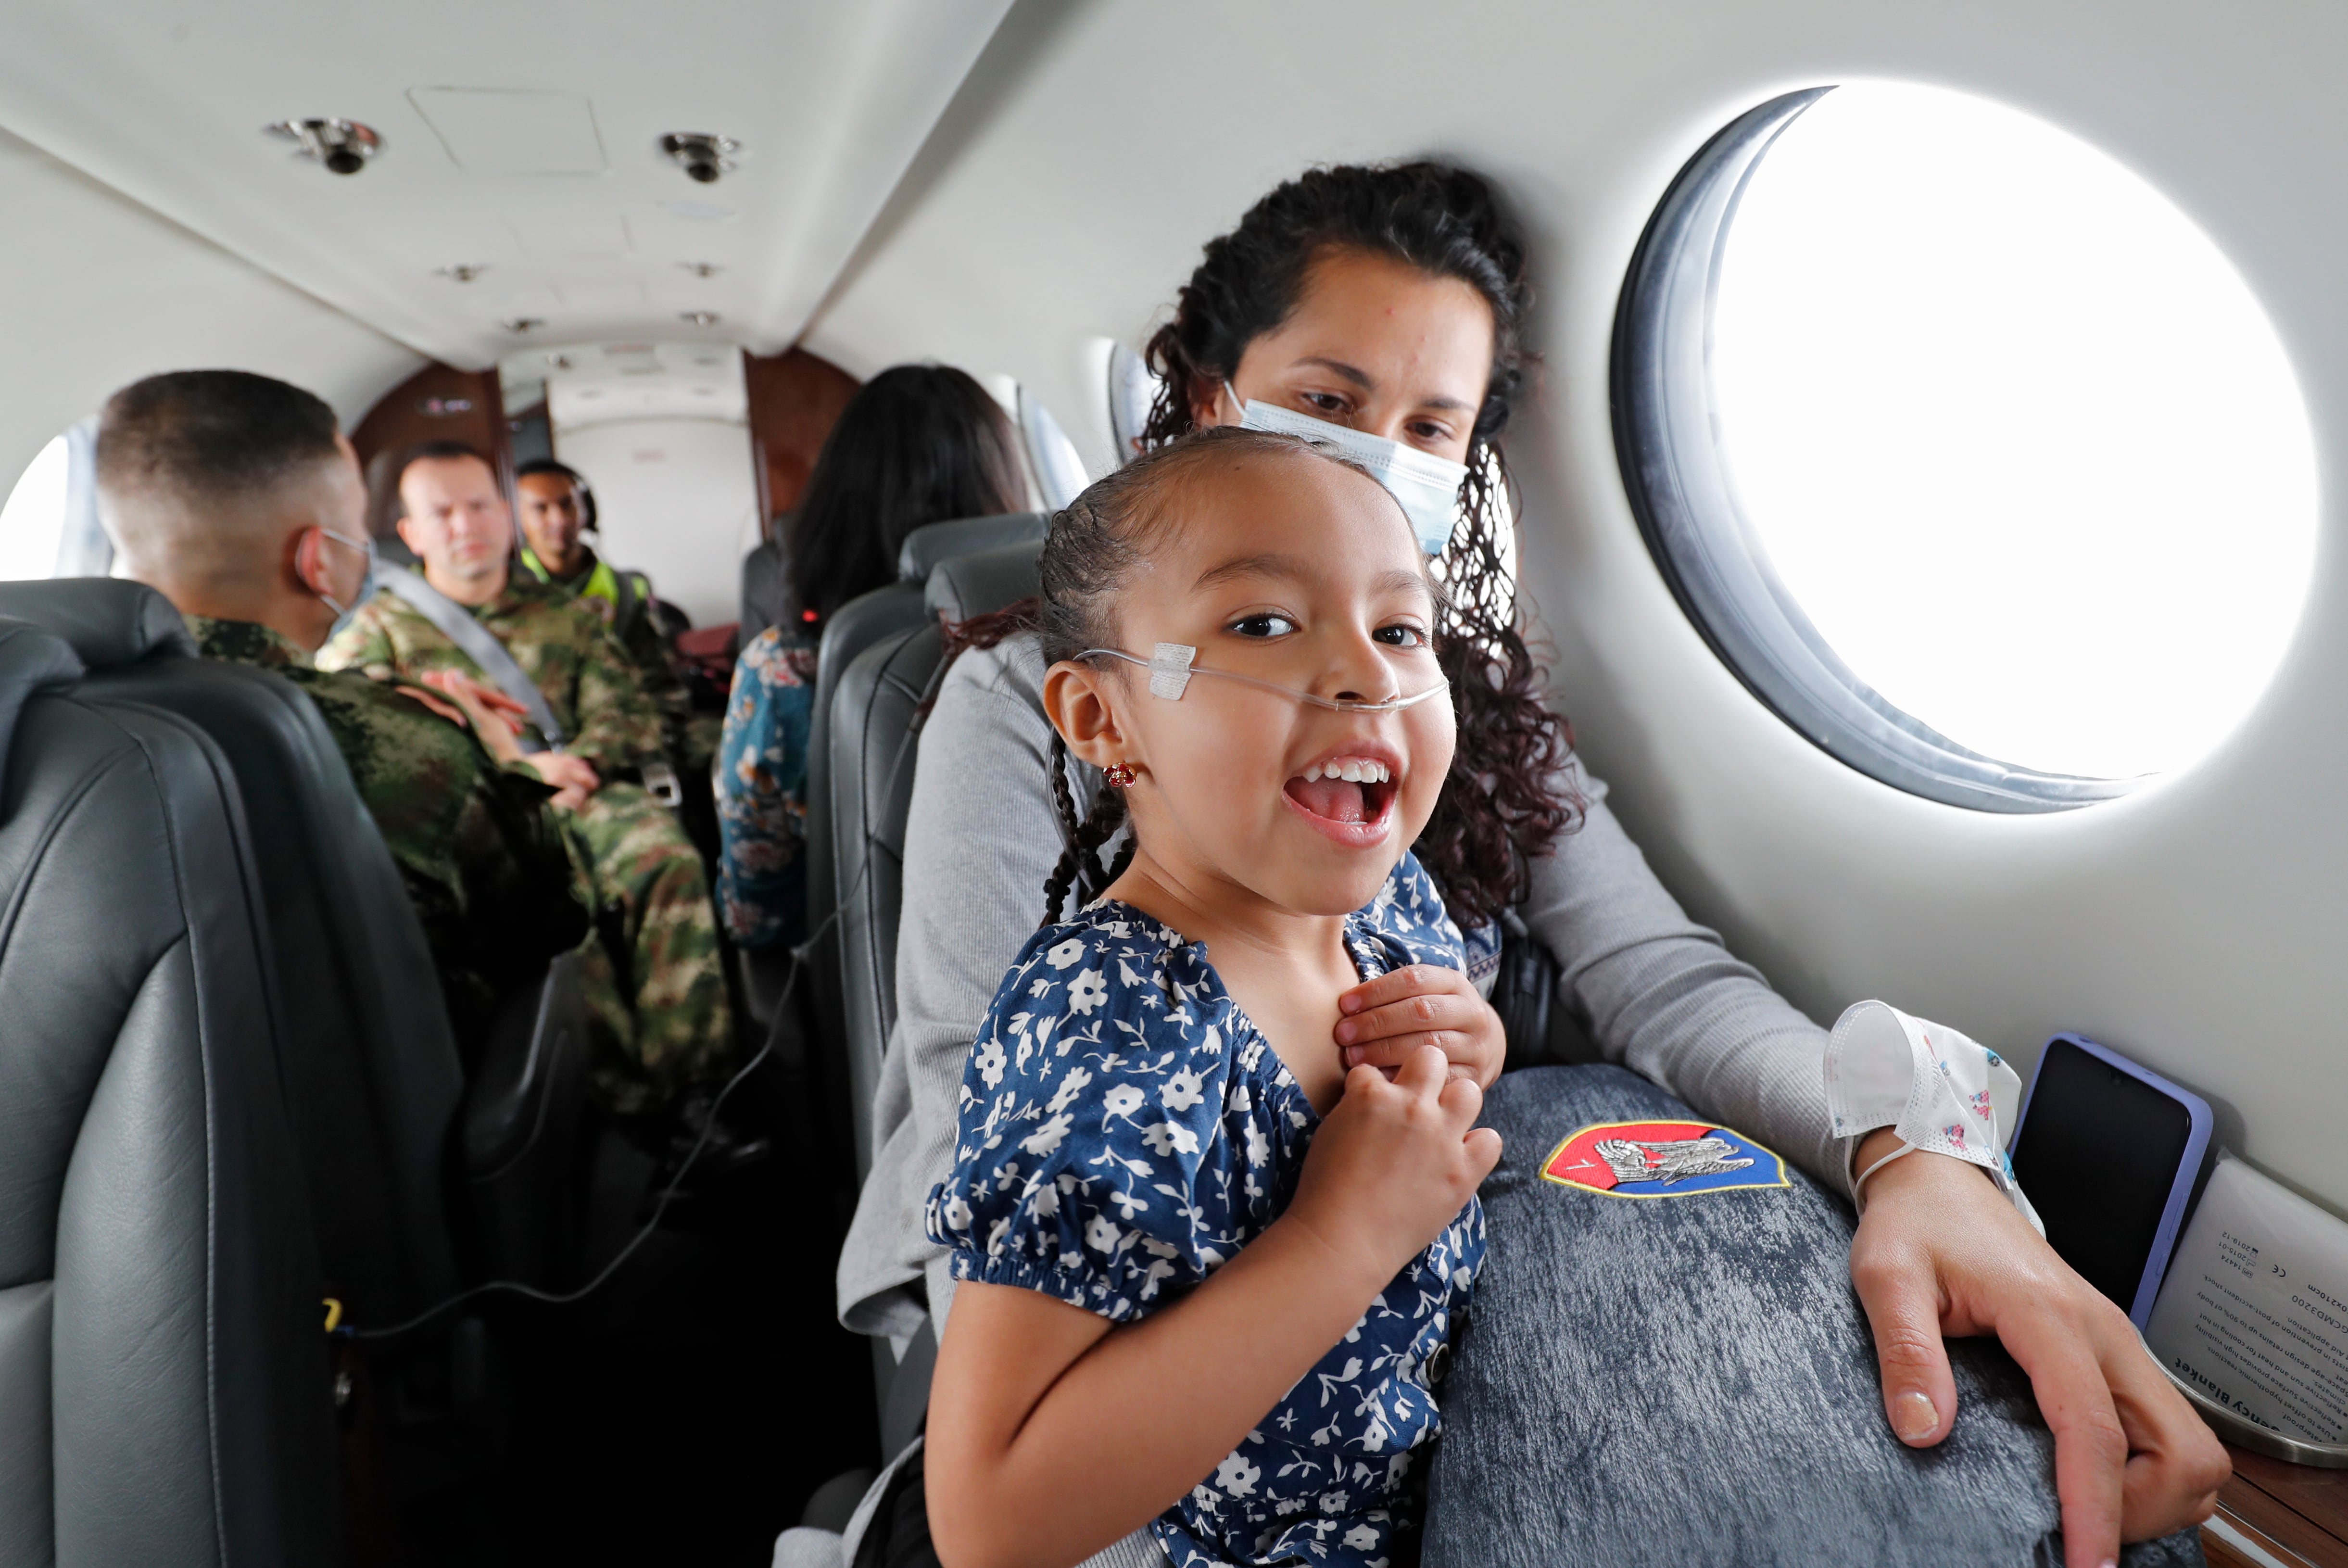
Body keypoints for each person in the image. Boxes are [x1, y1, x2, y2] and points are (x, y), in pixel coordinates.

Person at [839, 161, 2226, 1563]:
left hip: (1412, 1324)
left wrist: (1907, 1150)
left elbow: (1664, 987)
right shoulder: (1040, 700)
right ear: (1208, 394)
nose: (1366, 458)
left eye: (1427, 427)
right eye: (1325, 403)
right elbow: (985, 1145)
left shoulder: (1444, 699)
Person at [925, 429, 1502, 1568]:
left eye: (1398, 628)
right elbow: (989, 1516)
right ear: (1102, 720)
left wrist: (1469, 1042)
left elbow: (1428, 1120)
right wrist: (1339, 1237)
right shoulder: (1108, 1031)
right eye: (1262, 625)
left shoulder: (1393, 908)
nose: (1367, 673)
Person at [95, 369, 589, 1058]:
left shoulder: (50, 722)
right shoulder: (404, 748)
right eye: (358, 523)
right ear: (318, 560)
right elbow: (548, 929)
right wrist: (503, 762)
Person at [322, 442, 732, 1117]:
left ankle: (698, 1090)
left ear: (506, 518)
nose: (465, 524)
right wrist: (516, 771)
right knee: (555, 913)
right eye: (443, 512)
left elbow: (630, 708)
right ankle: (626, 1111)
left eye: (480, 505)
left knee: (666, 861)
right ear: (412, 533)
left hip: (587, 791)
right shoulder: (375, 635)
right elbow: (363, 744)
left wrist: (583, 765)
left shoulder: (566, 616)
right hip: (479, 817)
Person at [714, 365, 1026, 949]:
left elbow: (755, 905)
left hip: (861, 986)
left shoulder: (784, 671)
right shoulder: (1070, 640)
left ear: (837, 502)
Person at [513, 457, 713, 773]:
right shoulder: (508, 592)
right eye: (541, 509)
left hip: (628, 724)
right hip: (552, 741)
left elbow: (657, 676)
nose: (559, 519)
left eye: (568, 505)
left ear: (587, 510)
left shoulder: (625, 589)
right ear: (516, 518)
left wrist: (662, 730)